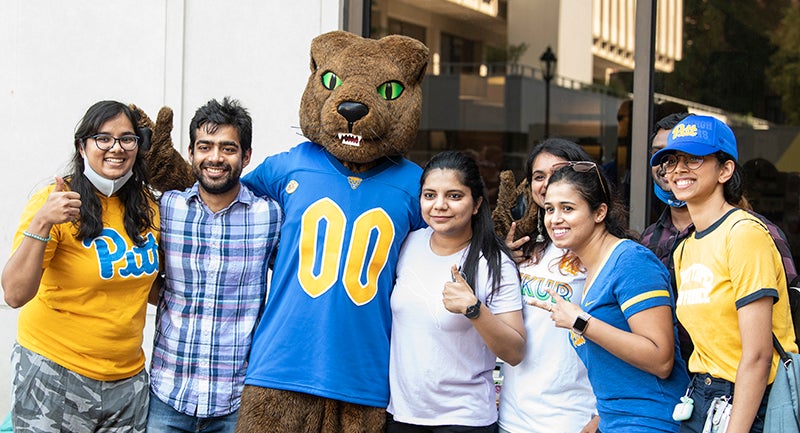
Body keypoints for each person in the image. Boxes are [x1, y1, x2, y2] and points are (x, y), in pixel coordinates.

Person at [1, 100, 159, 432]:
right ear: (82, 146)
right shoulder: (55, 199)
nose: (116, 148)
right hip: (54, 373)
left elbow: (152, 287)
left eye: (127, 139)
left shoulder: (149, 208)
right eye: (103, 138)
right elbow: (14, 293)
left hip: (127, 382)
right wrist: (43, 221)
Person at [650, 114, 798, 433]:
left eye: (694, 159)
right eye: (672, 161)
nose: (679, 169)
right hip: (701, 398)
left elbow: (757, 355)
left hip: (751, 404)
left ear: (725, 170)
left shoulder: (744, 234)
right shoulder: (685, 248)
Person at [147, 98, 282, 432]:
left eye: (228, 148)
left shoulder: (270, 216)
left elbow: (291, 286)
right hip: (167, 396)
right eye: (204, 146)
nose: (215, 158)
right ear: (191, 153)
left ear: (246, 156)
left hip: (235, 402)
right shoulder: (166, 209)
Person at [530, 160, 689, 433]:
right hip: (615, 420)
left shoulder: (631, 262)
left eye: (567, 208)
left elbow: (661, 360)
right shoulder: (593, 267)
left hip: (652, 421)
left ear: (599, 212)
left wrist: (581, 322)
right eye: (549, 209)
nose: (554, 218)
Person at [386, 151, 525, 432]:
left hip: (464, 419)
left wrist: (474, 309)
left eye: (454, 196)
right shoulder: (405, 244)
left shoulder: (495, 263)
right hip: (403, 415)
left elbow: (515, 351)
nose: (439, 205)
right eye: (429, 195)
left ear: (476, 204)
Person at [498, 138, 598, 433]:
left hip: (571, 418)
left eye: (558, 171)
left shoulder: (600, 251)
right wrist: (503, 261)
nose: (547, 183)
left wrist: (600, 416)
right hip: (513, 418)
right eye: (538, 176)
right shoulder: (524, 248)